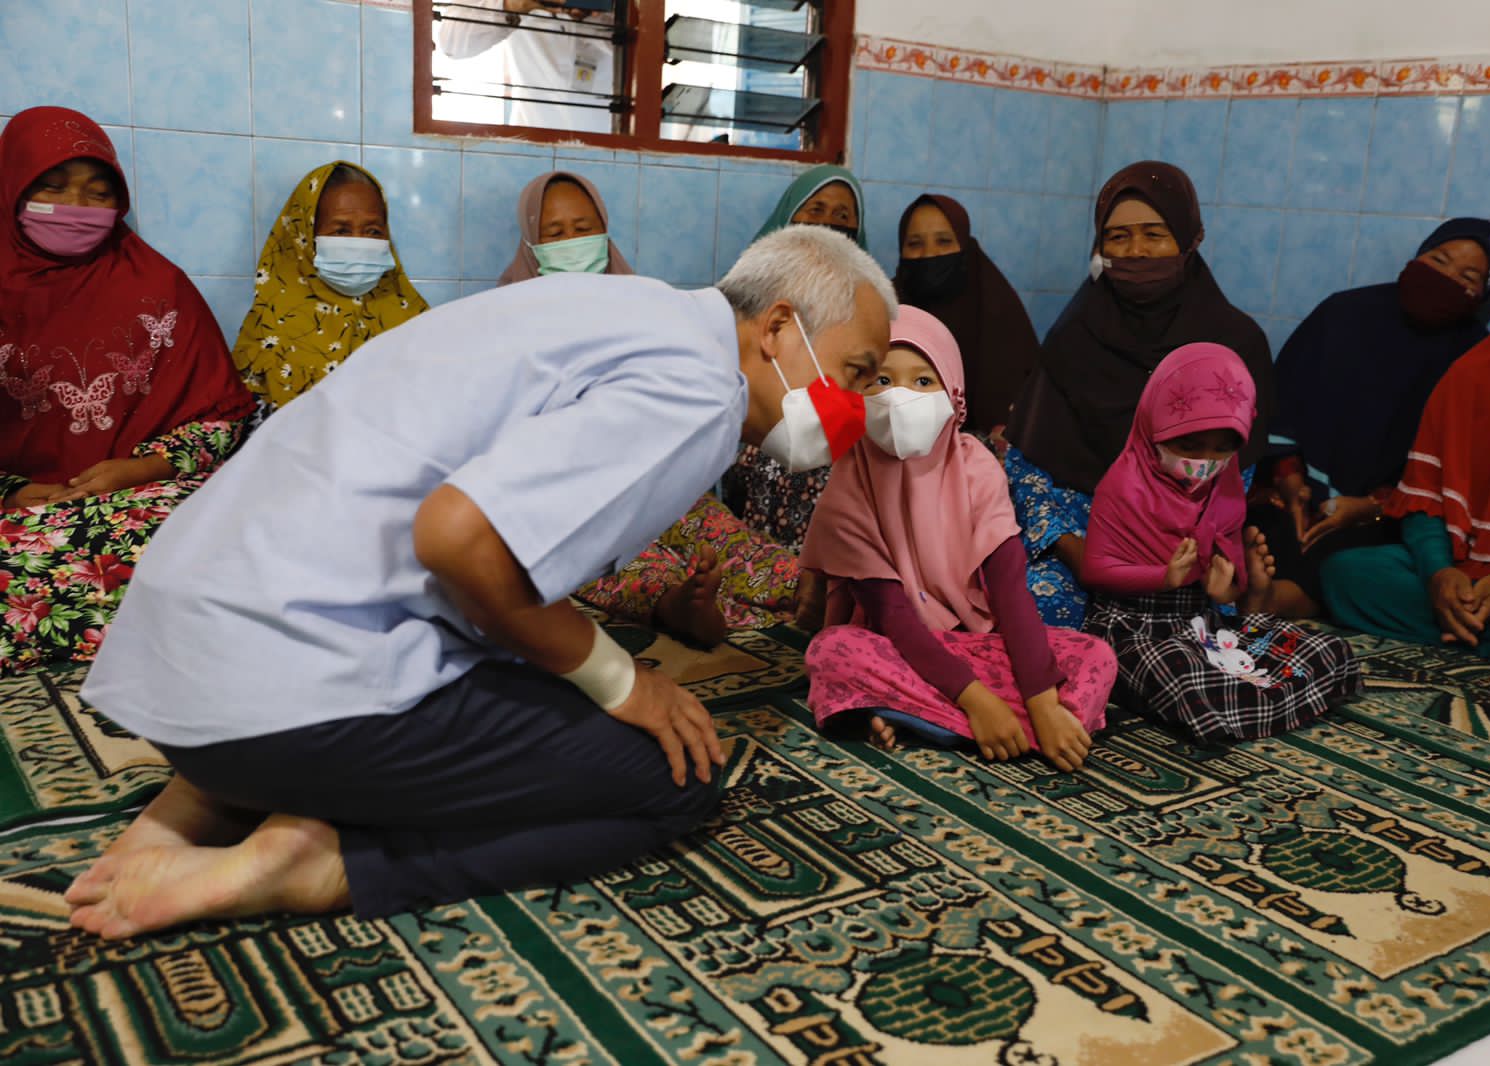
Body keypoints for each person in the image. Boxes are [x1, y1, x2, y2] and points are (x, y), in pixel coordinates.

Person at [66, 226, 895, 939]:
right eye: (857, 370)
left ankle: (199, 799)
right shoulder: (701, 387)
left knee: (528, 650)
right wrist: (624, 683)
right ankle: (323, 866)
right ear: (780, 327)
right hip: (271, 700)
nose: (857, 402)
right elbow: (459, 539)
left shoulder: (627, 311)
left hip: (181, 664)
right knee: (672, 780)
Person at [0, 107, 254, 675]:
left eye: (98, 192)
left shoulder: (158, 285)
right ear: (12, 187)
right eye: (53, 187)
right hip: (21, 515)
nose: (76, 208)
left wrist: (144, 469)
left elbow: (223, 417)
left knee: (218, 539)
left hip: (134, 502)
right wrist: (15, 490)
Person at [802, 308, 1115, 769]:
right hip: (897, 647)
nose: (900, 397)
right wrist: (978, 702)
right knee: (831, 652)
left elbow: (1009, 592)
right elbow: (893, 615)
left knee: (1097, 655)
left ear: (954, 397)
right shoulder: (850, 480)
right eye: (881, 380)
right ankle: (1003, 727)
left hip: (979, 642)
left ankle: (915, 717)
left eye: (923, 382)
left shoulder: (977, 468)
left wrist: (1041, 699)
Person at [503, 172, 802, 646]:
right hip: (577, 501)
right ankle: (677, 603)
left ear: (604, 231)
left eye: (583, 227)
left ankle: (805, 591)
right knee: (596, 558)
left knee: (730, 538)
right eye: (554, 234)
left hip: (658, 483)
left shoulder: (649, 309)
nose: (572, 242)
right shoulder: (504, 320)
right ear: (530, 244)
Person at [1004, 162, 1274, 630]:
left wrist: (1187, 552)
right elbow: (1029, 470)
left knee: (1207, 622)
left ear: (1190, 238)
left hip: (1187, 540)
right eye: (1118, 237)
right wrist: (1078, 550)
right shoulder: (1072, 339)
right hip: (1082, 533)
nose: (1136, 251)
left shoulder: (1234, 343)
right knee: (1035, 607)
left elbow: (1233, 470)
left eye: (1154, 234)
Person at [1322, 231, 1490, 676]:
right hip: (1455, 562)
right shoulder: (1480, 368)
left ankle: (1455, 625)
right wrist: (1437, 573)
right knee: (1347, 573)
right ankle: (1478, 626)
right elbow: (1422, 494)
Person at [1081, 343, 1361, 745]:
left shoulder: (1225, 485)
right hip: (1132, 625)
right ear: (1154, 426)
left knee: (1326, 649)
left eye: (1222, 449)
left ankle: (1244, 703)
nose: (1206, 461)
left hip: (1201, 623)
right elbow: (1096, 570)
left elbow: (1231, 580)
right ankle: (1255, 703)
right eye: (1190, 447)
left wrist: (1225, 587)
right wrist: (1164, 577)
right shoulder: (1123, 485)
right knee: (1184, 679)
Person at [1252, 219, 1490, 618]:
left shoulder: (1476, 360)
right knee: (1260, 528)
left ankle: (1272, 604)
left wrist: (1371, 507)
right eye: (1438, 260)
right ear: (1417, 257)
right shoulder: (1343, 314)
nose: (1445, 277)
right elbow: (1280, 406)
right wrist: (1290, 480)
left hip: (1385, 517)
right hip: (1289, 489)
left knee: (1343, 562)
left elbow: (1455, 472)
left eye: (1468, 276)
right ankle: (1259, 596)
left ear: (1482, 293)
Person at [722, 166, 870, 551]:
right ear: (788, 219)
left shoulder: (869, 305)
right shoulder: (745, 293)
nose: (826, 224)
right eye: (815, 209)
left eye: (842, 216)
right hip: (753, 440)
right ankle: (769, 571)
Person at [233, 162, 427, 414]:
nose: (359, 243)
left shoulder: (414, 319)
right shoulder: (271, 328)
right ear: (305, 236)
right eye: (341, 230)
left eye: (373, 231)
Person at [894, 194, 1041, 440]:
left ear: (965, 246)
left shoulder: (998, 309)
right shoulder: (888, 309)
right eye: (915, 244)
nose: (929, 253)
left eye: (943, 241)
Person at [435, 0, 616, 134]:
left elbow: (639, 44)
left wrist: (594, 15)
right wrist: (515, 4)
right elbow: (452, 43)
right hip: (531, 147)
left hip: (618, 145)